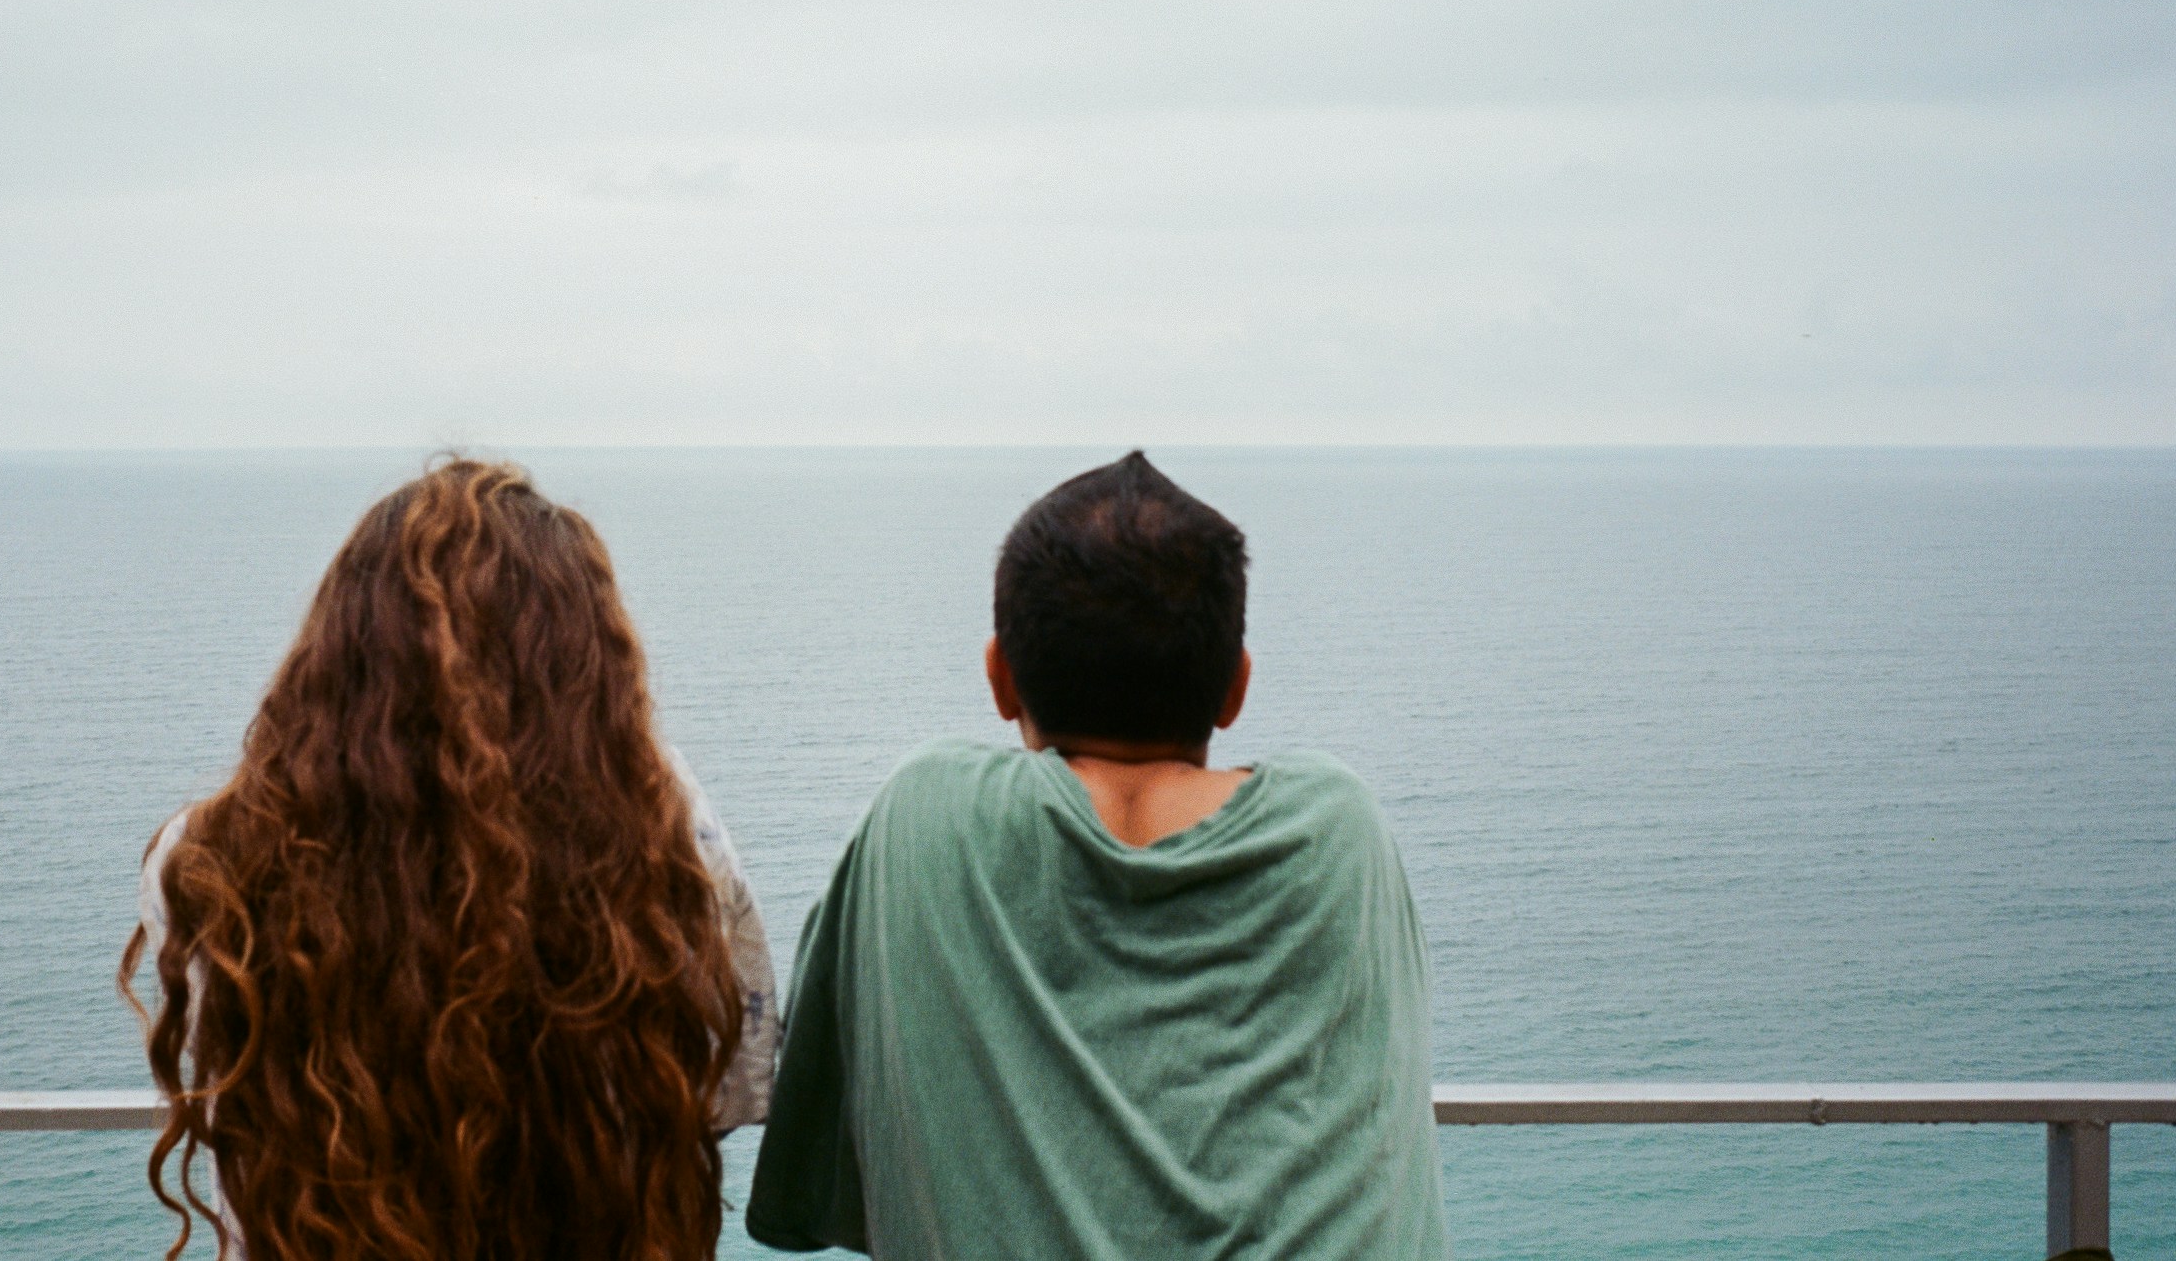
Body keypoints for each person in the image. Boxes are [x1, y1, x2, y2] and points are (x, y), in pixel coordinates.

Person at [747, 451, 1448, 1259]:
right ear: (1234, 688)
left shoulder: (921, 813)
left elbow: (815, 1171)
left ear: (999, 679)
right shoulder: (1338, 830)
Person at [124, 458, 775, 1261]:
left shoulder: (200, 863)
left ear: (339, 648)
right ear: (584, 664)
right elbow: (733, 1080)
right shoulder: (664, 826)